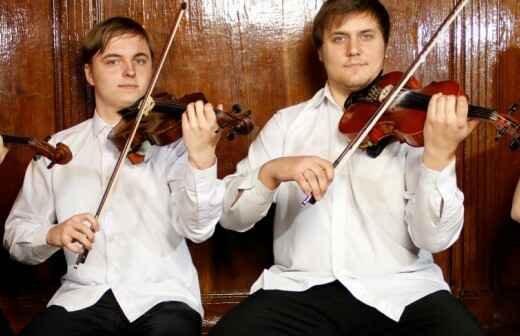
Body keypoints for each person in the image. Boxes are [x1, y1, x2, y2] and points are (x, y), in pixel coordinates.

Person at [210, 0, 483, 335]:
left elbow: (434, 239)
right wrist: (271, 172)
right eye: (339, 38)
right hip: (300, 290)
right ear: (321, 52)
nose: (354, 50)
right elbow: (232, 217)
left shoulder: (418, 126)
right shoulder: (288, 124)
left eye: (366, 36)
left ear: (385, 45)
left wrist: (439, 157)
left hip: (402, 290)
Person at [4, 17, 224, 336]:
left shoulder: (177, 143)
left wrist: (202, 158)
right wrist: (53, 233)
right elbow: (16, 236)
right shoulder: (58, 150)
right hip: (81, 299)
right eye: (113, 61)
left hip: (163, 299)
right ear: (89, 74)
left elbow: (199, 229)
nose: (130, 71)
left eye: (140, 60)